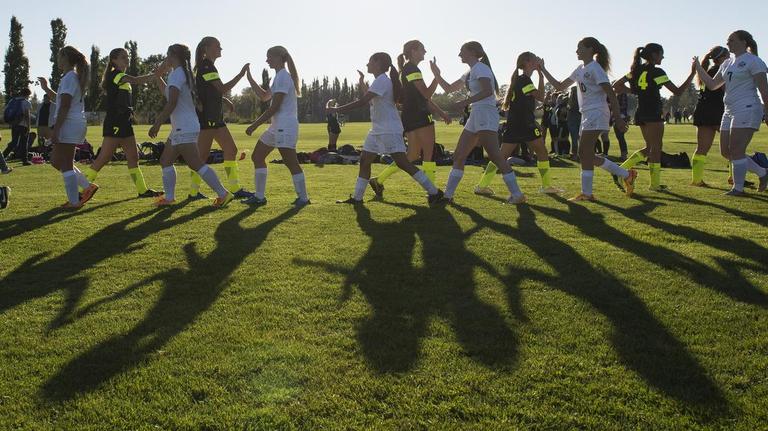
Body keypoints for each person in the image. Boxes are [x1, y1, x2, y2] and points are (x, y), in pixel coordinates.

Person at [332, 52, 444, 205]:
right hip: (378, 129)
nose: (367, 64)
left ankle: (434, 192)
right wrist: (362, 83)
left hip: (389, 129)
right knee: (365, 160)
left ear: (377, 63)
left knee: (403, 162)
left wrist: (335, 110)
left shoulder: (382, 80)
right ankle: (357, 198)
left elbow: (363, 101)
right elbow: (371, 101)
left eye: (369, 61)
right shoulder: (380, 81)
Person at [540, 37, 637, 201]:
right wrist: (543, 69)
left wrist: (619, 118)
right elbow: (559, 86)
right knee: (585, 154)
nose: (576, 51)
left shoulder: (595, 68)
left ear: (590, 49)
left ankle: (596, 188)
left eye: (580, 47)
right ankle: (623, 175)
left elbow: (611, 93)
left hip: (596, 112)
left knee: (583, 152)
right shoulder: (580, 69)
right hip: (586, 114)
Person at [431, 41, 526, 204]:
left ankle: (517, 194)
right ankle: (448, 196)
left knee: (496, 157)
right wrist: (436, 74)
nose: (459, 54)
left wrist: (465, 102)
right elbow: (448, 88)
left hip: (485, 114)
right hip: (476, 114)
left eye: (462, 51)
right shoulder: (470, 71)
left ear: (472, 52)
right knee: (459, 156)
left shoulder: (481, 68)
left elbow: (488, 91)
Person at [149, 43, 234, 208]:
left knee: (196, 164)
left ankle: (224, 194)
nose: (165, 59)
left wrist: (157, 123)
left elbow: (172, 102)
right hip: (182, 126)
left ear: (173, 56)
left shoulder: (177, 75)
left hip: (184, 126)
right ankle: (169, 198)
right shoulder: (181, 73)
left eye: (167, 55)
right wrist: (158, 76)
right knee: (165, 160)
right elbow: (168, 94)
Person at [367, 40, 451, 198]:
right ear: (413, 51)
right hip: (419, 116)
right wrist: (437, 76)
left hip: (409, 116)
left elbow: (422, 97)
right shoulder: (412, 69)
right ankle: (432, 192)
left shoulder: (406, 69)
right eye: (422, 49)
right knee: (428, 154)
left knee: (411, 156)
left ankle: (378, 180)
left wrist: (440, 111)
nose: (425, 52)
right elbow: (426, 94)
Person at [475, 52, 562, 195]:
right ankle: (546, 186)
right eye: (535, 59)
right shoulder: (524, 80)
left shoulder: (522, 79)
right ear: (527, 62)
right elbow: (541, 97)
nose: (538, 60)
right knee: (540, 152)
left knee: (505, 156)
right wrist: (541, 75)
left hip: (518, 124)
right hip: (524, 125)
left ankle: (482, 186)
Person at [694, 30, 768, 196]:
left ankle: (738, 188)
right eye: (728, 41)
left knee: (736, 149)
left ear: (744, 42)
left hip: (747, 108)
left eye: (732, 41)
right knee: (726, 152)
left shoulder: (754, 61)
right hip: (729, 110)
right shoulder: (727, 63)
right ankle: (763, 173)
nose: (728, 44)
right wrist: (698, 67)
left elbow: (764, 90)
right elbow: (713, 85)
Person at [614, 43, 696, 191]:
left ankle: (621, 170)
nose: (663, 57)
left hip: (641, 111)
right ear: (654, 55)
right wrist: (692, 74)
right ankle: (654, 184)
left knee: (650, 147)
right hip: (653, 111)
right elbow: (677, 91)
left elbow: (617, 86)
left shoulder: (635, 70)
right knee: (656, 148)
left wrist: (636, 91)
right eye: (661, 54)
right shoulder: (658, 72)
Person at [82, 47, 161, 197]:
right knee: (103, 158)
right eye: (123, 57)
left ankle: (143, 191)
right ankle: (82, 189)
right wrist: (156, 74)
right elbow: (136, 80)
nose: (127, 59)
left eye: (127, 56)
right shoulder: (116, 75)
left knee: (133, 157)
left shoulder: (121, 76)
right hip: (115, 122)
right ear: (114, 60)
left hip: (125, 123)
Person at [241, 46, 310, 208]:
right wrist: (249, 78)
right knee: (257, 157)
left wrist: (254, 125)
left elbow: (275, 107)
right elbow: (265, 97)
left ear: (279, 57)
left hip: (285, 126)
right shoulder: (279, 77)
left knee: (291, 162)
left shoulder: (283, 77)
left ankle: (304, 198)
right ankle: (259, 197)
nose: (267, 60)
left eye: (269, 57)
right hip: (276, 126)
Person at [190, 36, 252, 200]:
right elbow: (222, 88)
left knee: (231, 150)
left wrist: (223, 100)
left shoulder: (208, 66)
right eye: (218, 46)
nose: (221, 49)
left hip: (215, 117)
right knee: (201, 157)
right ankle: (193, 192)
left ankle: (235, 189)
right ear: (207, 48)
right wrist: (241, 75)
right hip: (208, 118)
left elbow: (211, 91)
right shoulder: (206, 66)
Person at [38, 46, 99, 209]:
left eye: (59, 56)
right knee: (56, 161)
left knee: (64, 163)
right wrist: (46, 89)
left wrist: (56, 130)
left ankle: (74, 201)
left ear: (65, 57)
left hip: (69, 124)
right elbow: (61, 100)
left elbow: (64, 105)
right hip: (72, 123)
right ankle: (87, 187)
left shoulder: (69, 77)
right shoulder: (71, 77)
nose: (57, 59)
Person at [691, 46, 729, 187]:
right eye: (727, 55)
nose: (730, 58)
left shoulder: (707, 71)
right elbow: (727, 92)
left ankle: (697, 180)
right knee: (732, 148)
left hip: (703, 111)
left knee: (701, 148)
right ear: (721, 58)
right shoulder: (722, 71)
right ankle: (734, 178)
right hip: (717, 111)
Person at [3, 88, 32, 165]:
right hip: (23, 125)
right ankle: (25, 161)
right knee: (24, 143)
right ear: (27, 95)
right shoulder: (26, 102)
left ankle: (2, 157)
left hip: (14, 124)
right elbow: (27, 116)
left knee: (14, 143)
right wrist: (29, 127)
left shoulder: (13, 101)